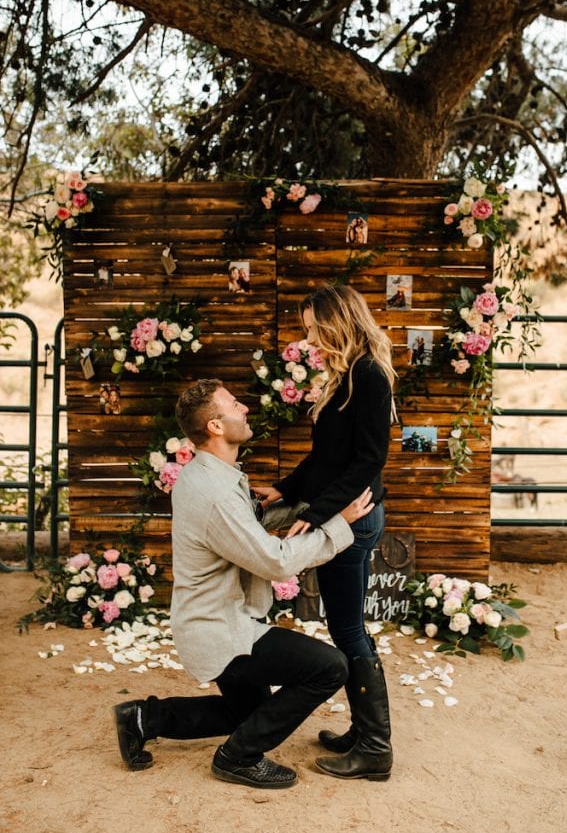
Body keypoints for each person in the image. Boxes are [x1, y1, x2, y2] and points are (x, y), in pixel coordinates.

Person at [112, 378, 374, 790]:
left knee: (247, 714)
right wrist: (339, 525)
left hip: (216, 619)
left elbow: (241, 528)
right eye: (235, 404)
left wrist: (302, 506)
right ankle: (238, 757)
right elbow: (274, 561)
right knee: (330, 667)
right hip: (221, 629)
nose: (245, 409)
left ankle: (144, 718)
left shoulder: (210, 475)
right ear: (216, 426)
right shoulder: (214, 491)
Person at [254, 283, 396, 781]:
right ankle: (365, 733)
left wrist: (318, 517)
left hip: (353, 520)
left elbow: (368, 460)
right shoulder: (344, 376)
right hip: (341, 514)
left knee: (348, 629)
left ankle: (375, 749)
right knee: (346, 626)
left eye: (316, 329)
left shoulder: (369, 376)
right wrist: (283, 488)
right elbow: (324, 458)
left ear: (341, 322)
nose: (310, 339)